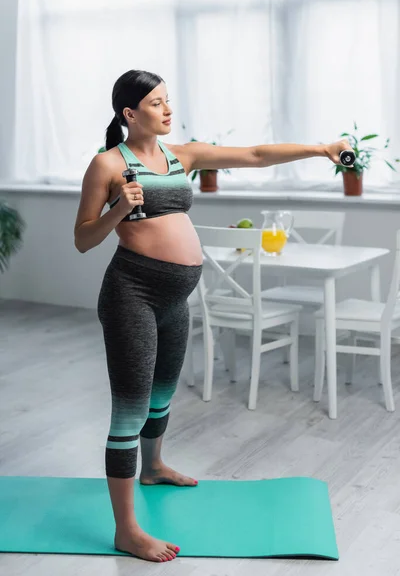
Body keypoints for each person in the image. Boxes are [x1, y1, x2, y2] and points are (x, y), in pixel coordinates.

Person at [74, 69, 352, 563]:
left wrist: (318, 149)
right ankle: (126, 530)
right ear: (130, 113)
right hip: (130, 293)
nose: (167, 109)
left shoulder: (183, 155)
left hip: (175, 297)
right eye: (157, 103)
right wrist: (118, 209)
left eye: (167, 100)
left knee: (162, 392)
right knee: (130, 408)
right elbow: (83, 239)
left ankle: (154, 466)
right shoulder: (106, 164)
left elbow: (255, 155)